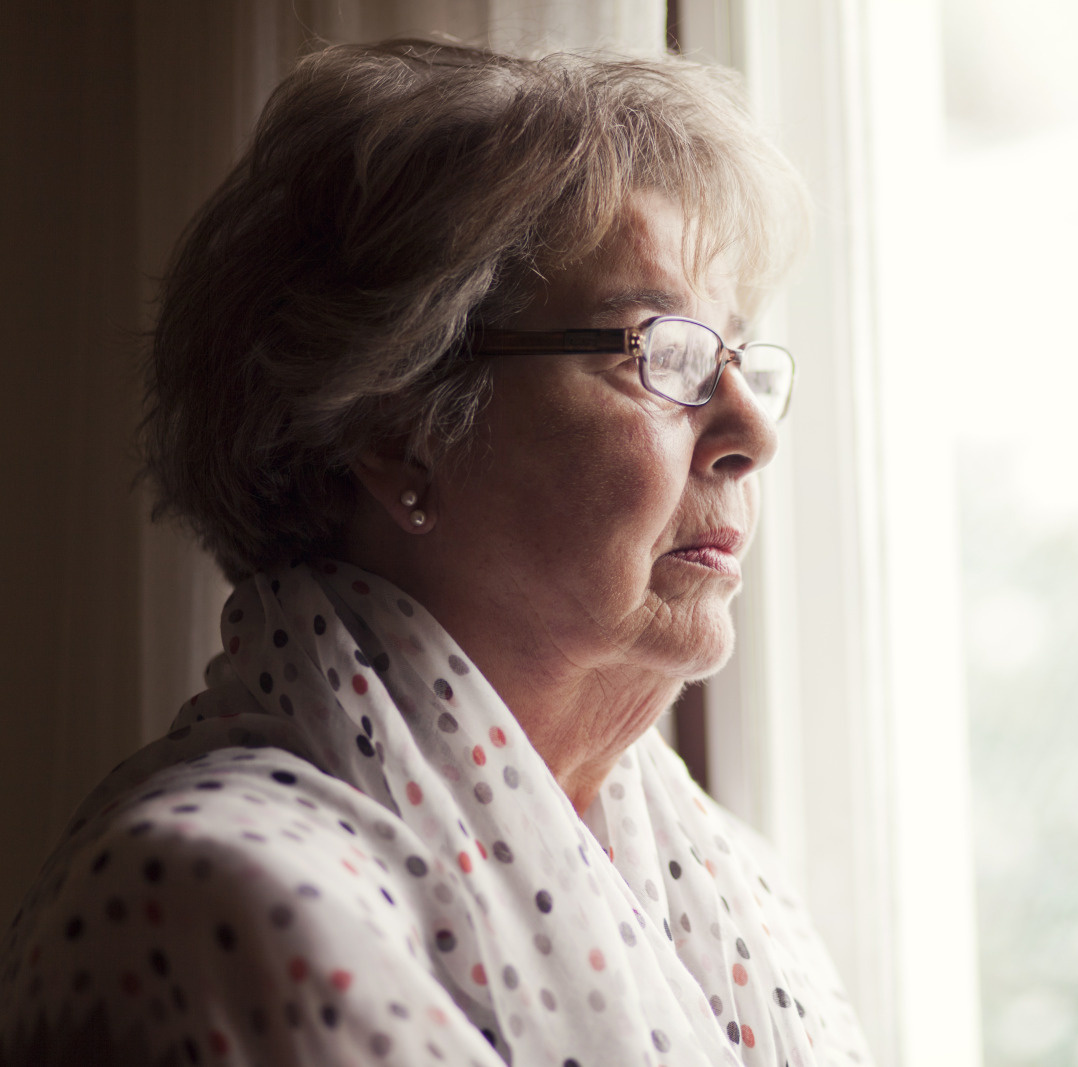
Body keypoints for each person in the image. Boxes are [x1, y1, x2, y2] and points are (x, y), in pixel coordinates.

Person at [0, 39, 874, 1067]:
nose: (751, 431)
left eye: (735, 356)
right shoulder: (221, 898)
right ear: (396, 430)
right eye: (665, 353)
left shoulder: (732, 883)